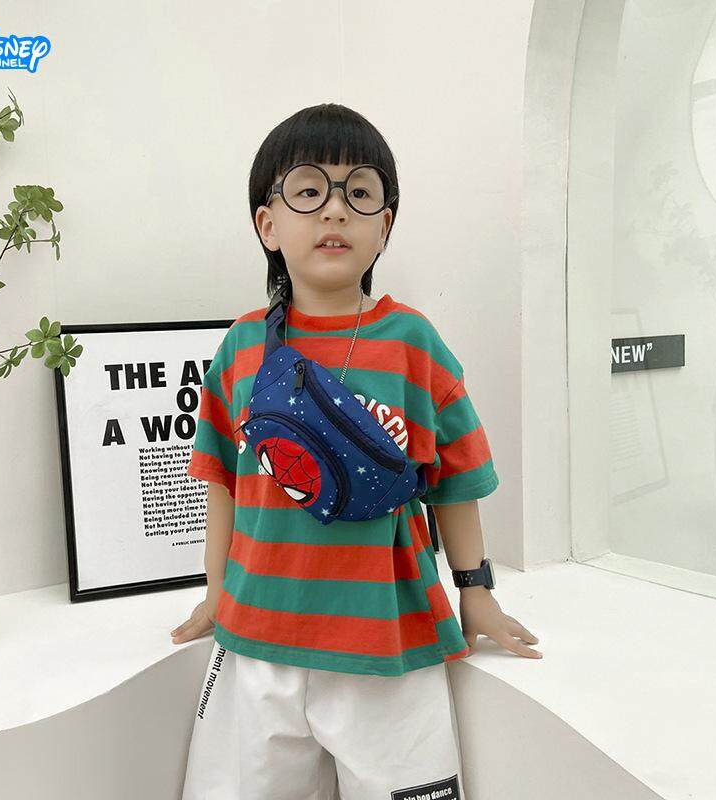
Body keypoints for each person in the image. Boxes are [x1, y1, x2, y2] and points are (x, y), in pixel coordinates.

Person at [172, 103, 541, 800]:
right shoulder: (242, 346)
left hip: (390, 647)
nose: (335, 210)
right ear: (268, 225)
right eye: (309, 190)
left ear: (384, 227)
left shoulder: (413, 343)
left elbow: (456, 481)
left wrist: (477, 592)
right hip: (256, 642)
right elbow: (221, 478)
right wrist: (216, 591)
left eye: (360, 192)